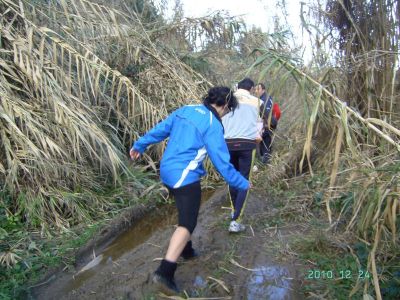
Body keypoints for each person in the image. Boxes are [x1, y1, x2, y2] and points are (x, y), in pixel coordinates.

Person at [130, 87, 250, 293]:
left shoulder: (186, 109)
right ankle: (165, 271)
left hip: (167, 171)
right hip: (184, 176)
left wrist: (139, 145)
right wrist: (242, 183)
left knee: (186, 210)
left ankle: (186, 249)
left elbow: (161, 129)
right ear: (224, 105)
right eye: (228, 110)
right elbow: (222, 163)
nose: (226, 113)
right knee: (187, 222)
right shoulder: (213, 124)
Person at [222, 78, 260, 233]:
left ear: (237, 87)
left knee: (232, 178)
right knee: (244, 180)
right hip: (247, 144)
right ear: (251, 89)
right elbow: (259, 122)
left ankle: (234, 211)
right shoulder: (256, 101)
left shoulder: (227, 99)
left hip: (228, 144)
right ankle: (236, 221)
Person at [255, 83, 279, 163]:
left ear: (263, 90)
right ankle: (264, 164)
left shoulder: (265, 99)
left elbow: (267, 114)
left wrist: (265, 125)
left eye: (258, 89)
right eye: (255, 89)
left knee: (265, 146)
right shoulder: (262, 99)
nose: (256, 91)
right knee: (263, 146)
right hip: (264, 126)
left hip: (266, 127)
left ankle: (266, 165)